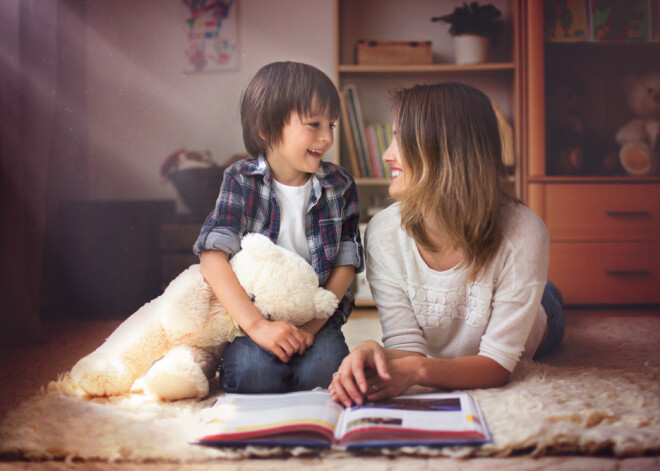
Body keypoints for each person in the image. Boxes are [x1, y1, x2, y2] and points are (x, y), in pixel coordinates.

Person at [329, 82, 564, 407]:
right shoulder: (383, 233)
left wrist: (418, 371)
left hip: (539, 317)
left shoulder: (524, 232)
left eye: (400, 138)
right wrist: (373, 350)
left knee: (548, 299)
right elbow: (407, 349)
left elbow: (497, 365)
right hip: (469, 313)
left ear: (446, 148)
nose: (386, 155)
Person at [194, 61, 364, 394]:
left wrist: (312, 328)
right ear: (267, 129)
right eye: (314, 124)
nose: (327, 137)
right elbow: (212, 258)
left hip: (317, 315)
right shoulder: (240, 179)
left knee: (324, 372)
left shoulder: (340, 184)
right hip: (256, 313)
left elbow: (346, 264)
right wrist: (257, 327)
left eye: (331, 124)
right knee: (251, 375)